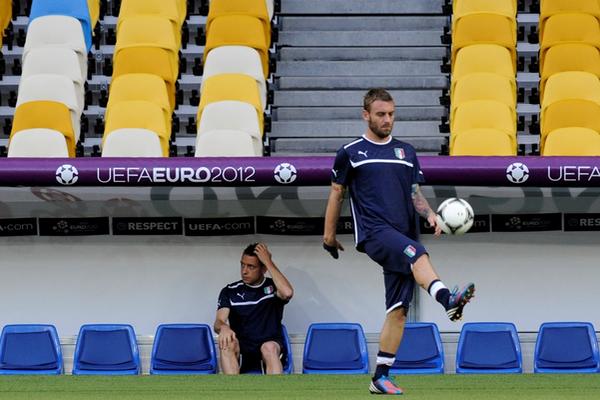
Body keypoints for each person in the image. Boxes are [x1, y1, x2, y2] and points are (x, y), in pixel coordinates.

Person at [322, 88, 475, 395]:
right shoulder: (351, 152)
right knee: (417, 254)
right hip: (375, 234)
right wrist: (329, 235)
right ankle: (448, 300)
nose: (387, 120)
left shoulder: (406, 152)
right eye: (381, 114)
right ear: (366, 115)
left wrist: (430, 214)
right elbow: (337, 192)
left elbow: (414, 192)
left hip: (404, 232)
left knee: (398, 309)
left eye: (391, 114)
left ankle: (379, 377)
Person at [214, 243, 294, 374]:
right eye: (242, 265)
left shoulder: (273, 287)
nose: (244, 271)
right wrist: (224, 327)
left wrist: (268, 261)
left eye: (251, 267)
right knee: (227, 343)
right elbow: (219, 321)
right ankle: (232, 392)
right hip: (241, 347)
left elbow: (287, 293)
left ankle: (277, 393)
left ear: (263, 269)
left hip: (269, 344)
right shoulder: (230, 291)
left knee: (269, 347)